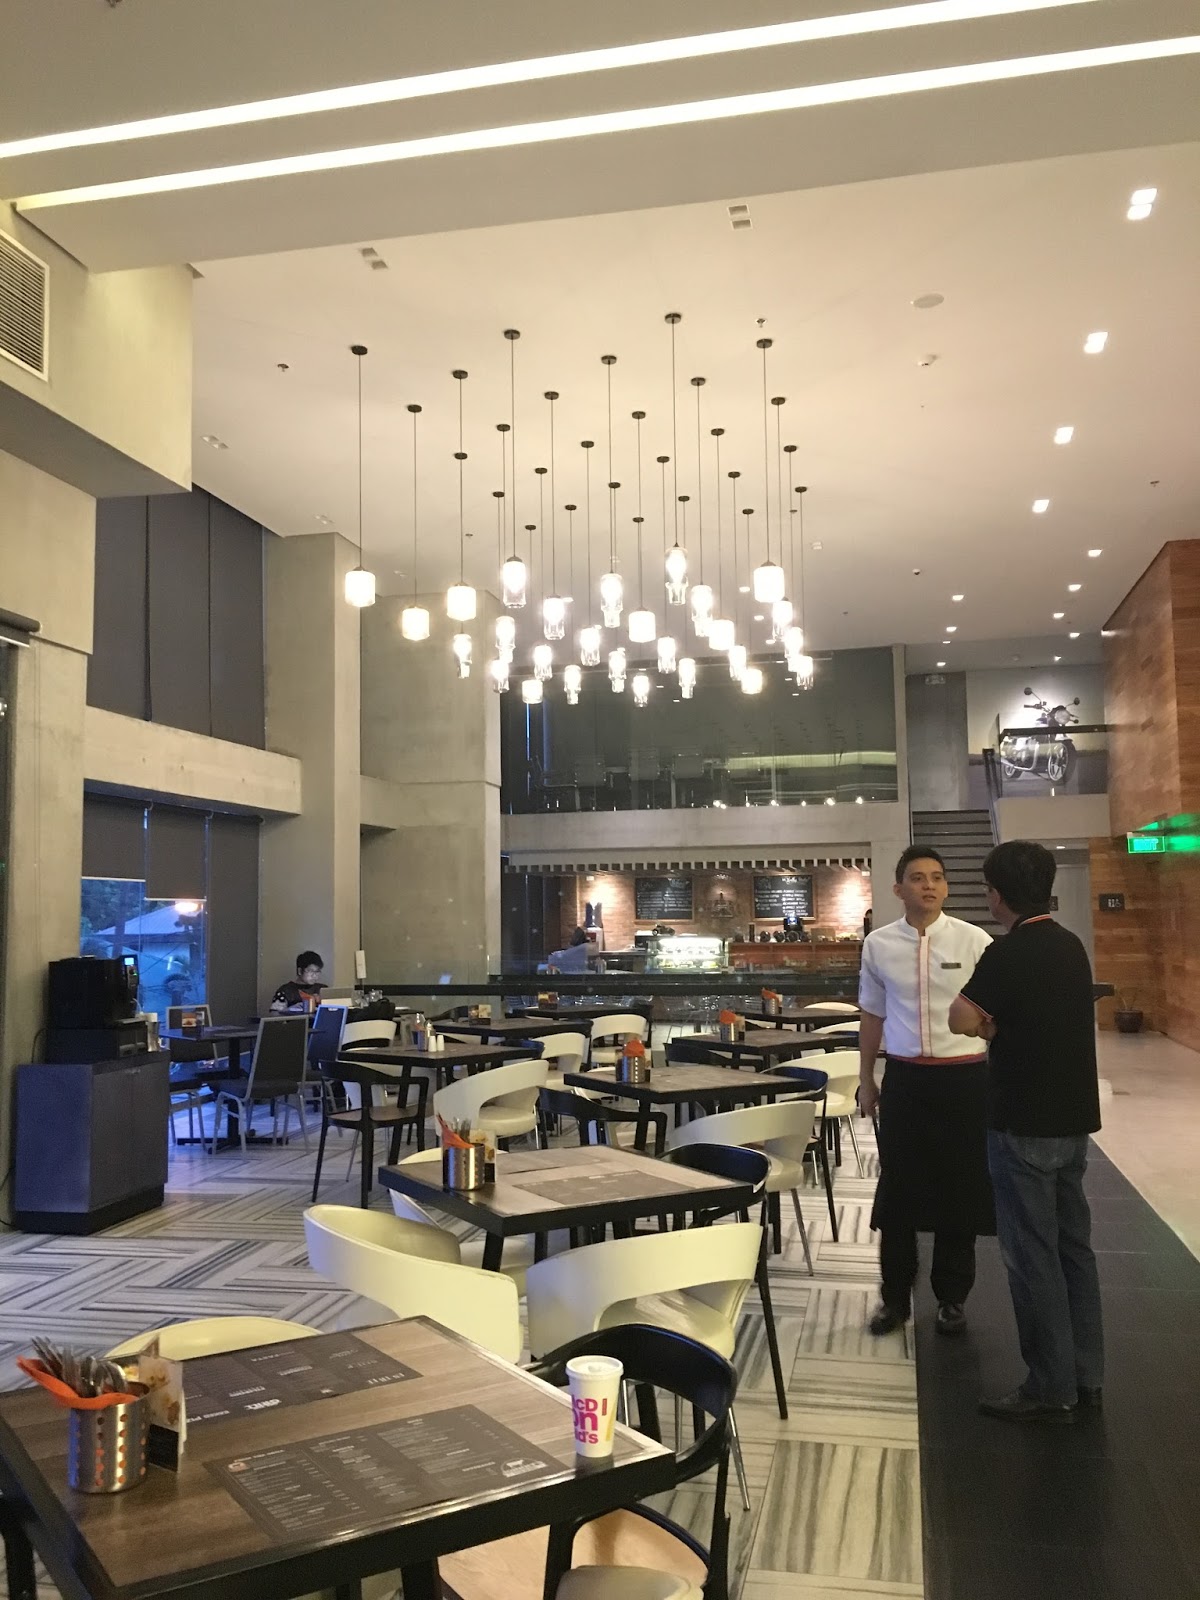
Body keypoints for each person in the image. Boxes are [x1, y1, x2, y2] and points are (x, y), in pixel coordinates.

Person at [949, 840, 1103, 1423]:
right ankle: (1086, 1377)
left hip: (1022, 1122)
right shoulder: (1070, 945)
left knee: (1031, 1256)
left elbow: (959, 1016)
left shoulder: (1007, 952)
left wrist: (989, 1028)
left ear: (996, 894)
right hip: (1073, 1121)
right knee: (1073, 1250)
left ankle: (1049, 1387)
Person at [859, 845, 994, 1338]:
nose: (929, 885)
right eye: (918, 878)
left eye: (937, 877)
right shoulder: (879, 945)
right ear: (899, 888)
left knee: (960, 1188)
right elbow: (871, 1014)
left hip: (965, 1079)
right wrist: (866, 1078)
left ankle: (952, 1298)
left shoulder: (974, 940)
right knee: (898, 1190)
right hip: (906, 1080)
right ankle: (895, 1298)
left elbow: (995, 1014)